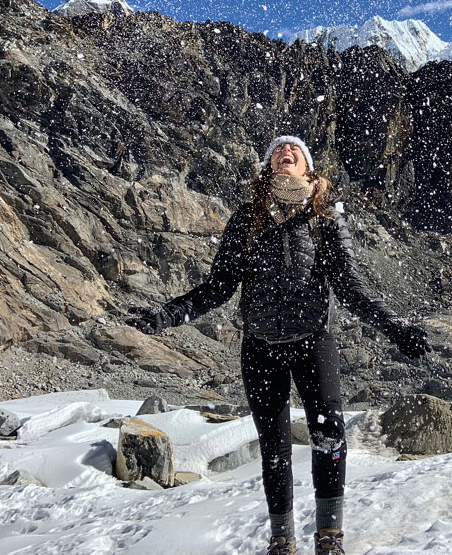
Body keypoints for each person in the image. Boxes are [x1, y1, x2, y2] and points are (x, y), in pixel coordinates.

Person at [127, 135, 432, 555]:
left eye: (294, 152)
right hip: (260, 348)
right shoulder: (247, 219)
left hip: (313, 342)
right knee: (273, 446)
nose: (284, 154)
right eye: (277, 152)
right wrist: (165, 315)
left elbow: (351, 286)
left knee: (329, 436)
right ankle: (281, 540)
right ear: (269, 166)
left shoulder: (325, 219)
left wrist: (394, 326)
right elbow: (217, 288)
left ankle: (329, 537)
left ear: (308, 167)